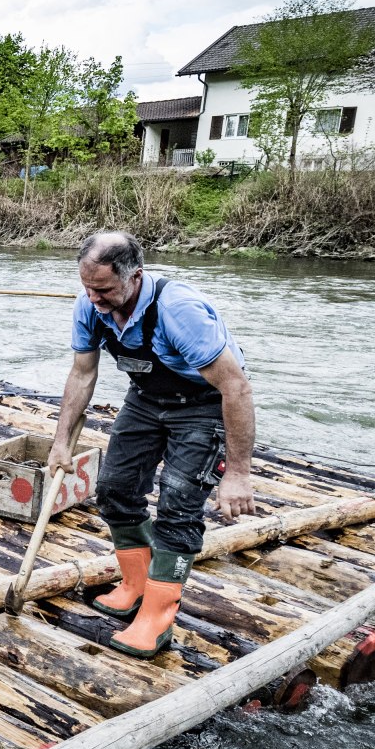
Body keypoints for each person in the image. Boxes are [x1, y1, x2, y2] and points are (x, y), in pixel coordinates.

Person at [47, 231, 257, 660]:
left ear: (135, 276)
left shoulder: (178, 311)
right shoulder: (90, 306)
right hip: (145, 400)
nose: (93, 298)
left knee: (178, 506)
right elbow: (82, 374)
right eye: (87, 287)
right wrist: (60, 442)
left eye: (103, 289)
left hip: (203, 405)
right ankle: (135, 585)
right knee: (115, 490)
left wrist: (238, 473)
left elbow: (236, 388)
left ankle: (157, 617)